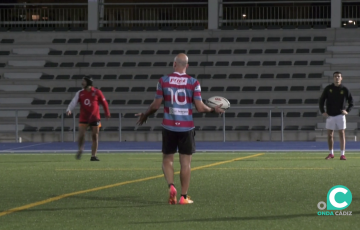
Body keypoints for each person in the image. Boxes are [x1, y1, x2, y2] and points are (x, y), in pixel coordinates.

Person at [136, 53, 224, 204]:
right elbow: (200, 107)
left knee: (167, 160)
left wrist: (145, 114)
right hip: (186, 128)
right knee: (185, 163)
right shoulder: (193, 82)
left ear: (174, 64)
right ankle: (183, 197)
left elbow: (156, 105)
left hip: (169, 126)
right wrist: (212, 110)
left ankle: (171, 186)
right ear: (187, 66)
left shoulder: (163, 80)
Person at [66, 76, 110, 161]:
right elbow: (73, 102)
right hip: (84, 118)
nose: (82, 83)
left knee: (95, 136)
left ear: (88, 83)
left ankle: (93, 156)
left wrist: (107, 113)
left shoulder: (97, 92)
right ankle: (80, 149)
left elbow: (104, 103)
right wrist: (69, 109)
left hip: (95, 118)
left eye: (84, 81)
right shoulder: (80, 93)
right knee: (81, 135)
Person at [319, 72, 353, 160]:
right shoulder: (328, 88)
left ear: (341, 78)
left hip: (340, 115)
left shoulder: (345, 89)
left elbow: (351, 102)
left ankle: (342, 154)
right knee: (330, 135)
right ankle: (331, 153)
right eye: (335, 76)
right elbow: (321, 100)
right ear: (333, 78)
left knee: (342, 134)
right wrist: (323, 111)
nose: (337, 78)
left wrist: (347, 111)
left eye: (338, 76)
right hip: (330, 115)